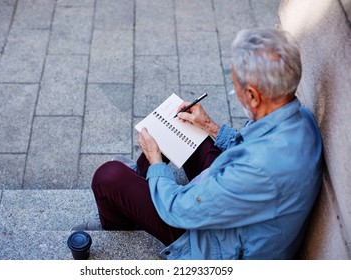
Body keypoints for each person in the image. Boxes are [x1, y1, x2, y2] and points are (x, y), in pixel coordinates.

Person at [74, 27, 323, 259]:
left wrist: (157, 163)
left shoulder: (258, 169)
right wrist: (210, 127)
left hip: (214, 244)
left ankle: (121, 219)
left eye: (235, 83)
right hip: (237, 207)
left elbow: (178, 209)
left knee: (108, 177)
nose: (235, 89)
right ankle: (138, 186)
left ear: (252, 96)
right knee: (183, 126)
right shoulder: (299, 117)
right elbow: (254, 148)